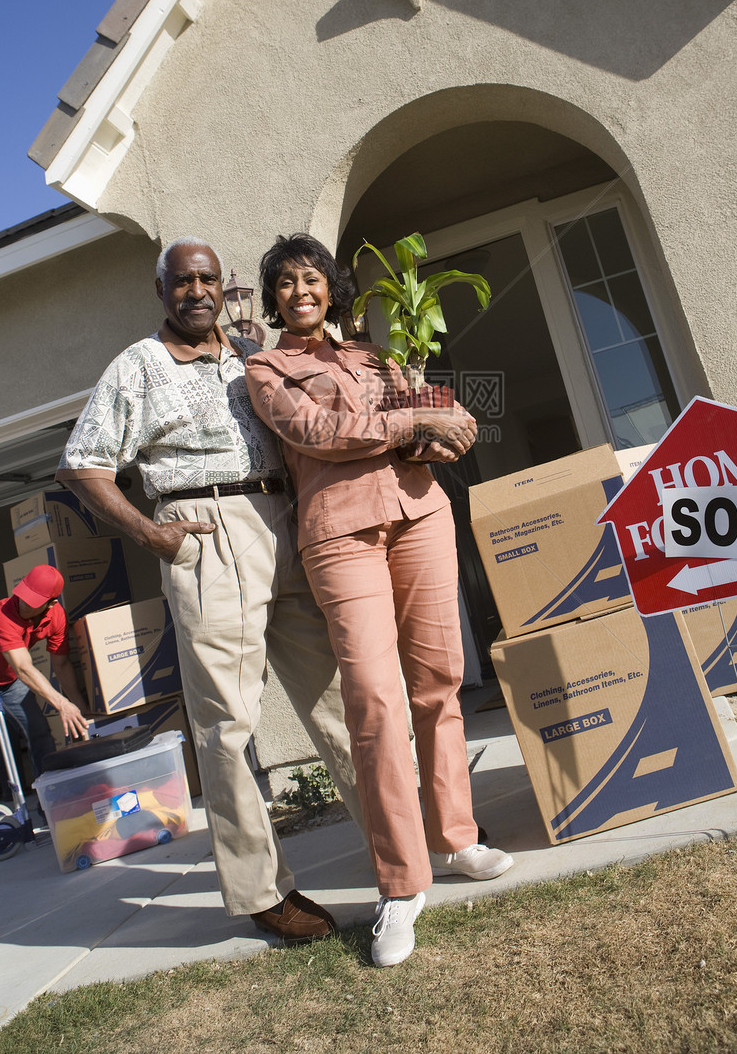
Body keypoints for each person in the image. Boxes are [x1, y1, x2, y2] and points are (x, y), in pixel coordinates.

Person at [55, 238, 360, 944]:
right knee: (227, 725)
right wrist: (148, 532)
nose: (197, 290)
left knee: (338, 696)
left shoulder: (250, 352)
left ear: (224, 286)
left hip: (283, 517)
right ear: (161, 290)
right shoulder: (138, 366)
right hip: (204, 531)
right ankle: (263, 892)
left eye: (208, 279)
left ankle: (398, 835)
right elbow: (83, 463)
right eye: (182, 280)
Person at [246, 233, 514, 968]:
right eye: (286, 283)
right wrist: (409, 424)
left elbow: (437, 415)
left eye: (312, 279)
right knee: (372, 700)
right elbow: (318, 432)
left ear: (331, 289)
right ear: (274, 299)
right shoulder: (267, 368)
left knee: (438, 684)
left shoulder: (374, 356)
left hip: (421, 514)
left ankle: (456, 837)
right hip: (339, 533)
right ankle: (400, 884)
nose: (301, 291)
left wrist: (443, 423)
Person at [0, 564, 90, 858]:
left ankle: (50, 807)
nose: (24, 602)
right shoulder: (2, 613)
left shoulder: (55, 616)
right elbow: (23, 666)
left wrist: (78, 706)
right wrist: (61, 703)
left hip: (6, 679)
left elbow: (62, 665)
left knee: (40, 731)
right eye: (23, 594)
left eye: (33, 599)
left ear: (51, 603)